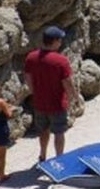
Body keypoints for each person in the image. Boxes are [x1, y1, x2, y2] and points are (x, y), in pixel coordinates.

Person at [24, 26, 77, 162]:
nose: (61, 43)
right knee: (59, 132)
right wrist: (73, 98)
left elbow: (28, 78)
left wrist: (35, 93)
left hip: (39, 102)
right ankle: (60, 159)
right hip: (57, 104)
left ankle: (42, 156)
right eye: (60, 40)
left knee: (43, 131)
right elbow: (68, 83)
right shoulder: (61, 61)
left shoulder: (31, 57)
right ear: (54, 41)